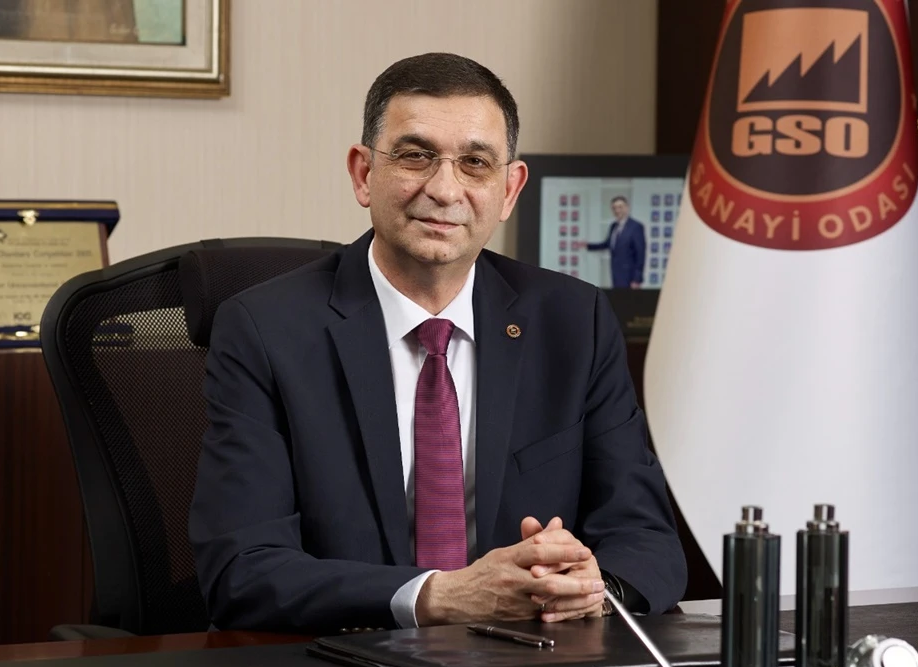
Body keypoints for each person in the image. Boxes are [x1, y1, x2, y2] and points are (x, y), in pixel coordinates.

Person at [189, 52, 686, 635]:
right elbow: (242, 571)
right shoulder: (264, 329)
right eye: (415, 156)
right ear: (363, 174)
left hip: (526, 661)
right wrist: (441, 597)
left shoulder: (575, 322)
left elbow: (647, 539)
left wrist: (586, 592)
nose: (445, 190)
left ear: (509, 189)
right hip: (340, 665)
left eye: (475, 163)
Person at [586, 196, 646, 288]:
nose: (617, 210)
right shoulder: (613, 226)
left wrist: (637, 279)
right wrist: (588, 245)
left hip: (630, 277)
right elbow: (607, 244)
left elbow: (640, 254)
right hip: (615, 273)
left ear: (627, 207)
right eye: (614, 208)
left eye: (620, 207)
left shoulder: (636, 227)